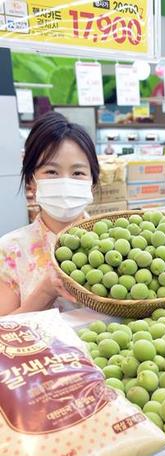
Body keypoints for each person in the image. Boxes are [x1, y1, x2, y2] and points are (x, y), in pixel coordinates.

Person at [0, 112, 99, 316]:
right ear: (31, 182)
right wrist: (45, 292)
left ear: (93, 182)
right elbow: (3, 330)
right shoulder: (10, 249)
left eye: (78, 173)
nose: (65, 181)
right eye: (52, 172)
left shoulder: (116, 242)